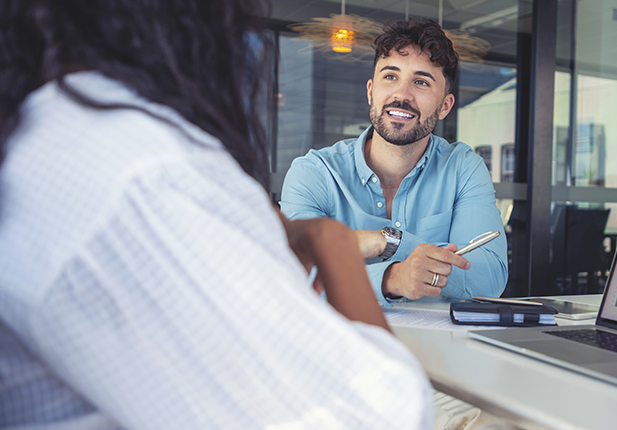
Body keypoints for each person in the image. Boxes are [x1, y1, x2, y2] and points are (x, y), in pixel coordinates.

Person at [0, 1, 433, 428]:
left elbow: (484, 273)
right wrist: (337, 245)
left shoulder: (48, 130)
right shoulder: (144, 172)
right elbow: (380, 414)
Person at [280, 19, 508, 306]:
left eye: (421, 82)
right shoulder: (314, 173)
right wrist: (391, 278)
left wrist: (392, 242)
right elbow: (290, 275)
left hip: (441, 349)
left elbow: (487, 279)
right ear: (370, 92)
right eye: (390, 77)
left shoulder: (463, 168)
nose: (401, 95)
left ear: (445, 106)